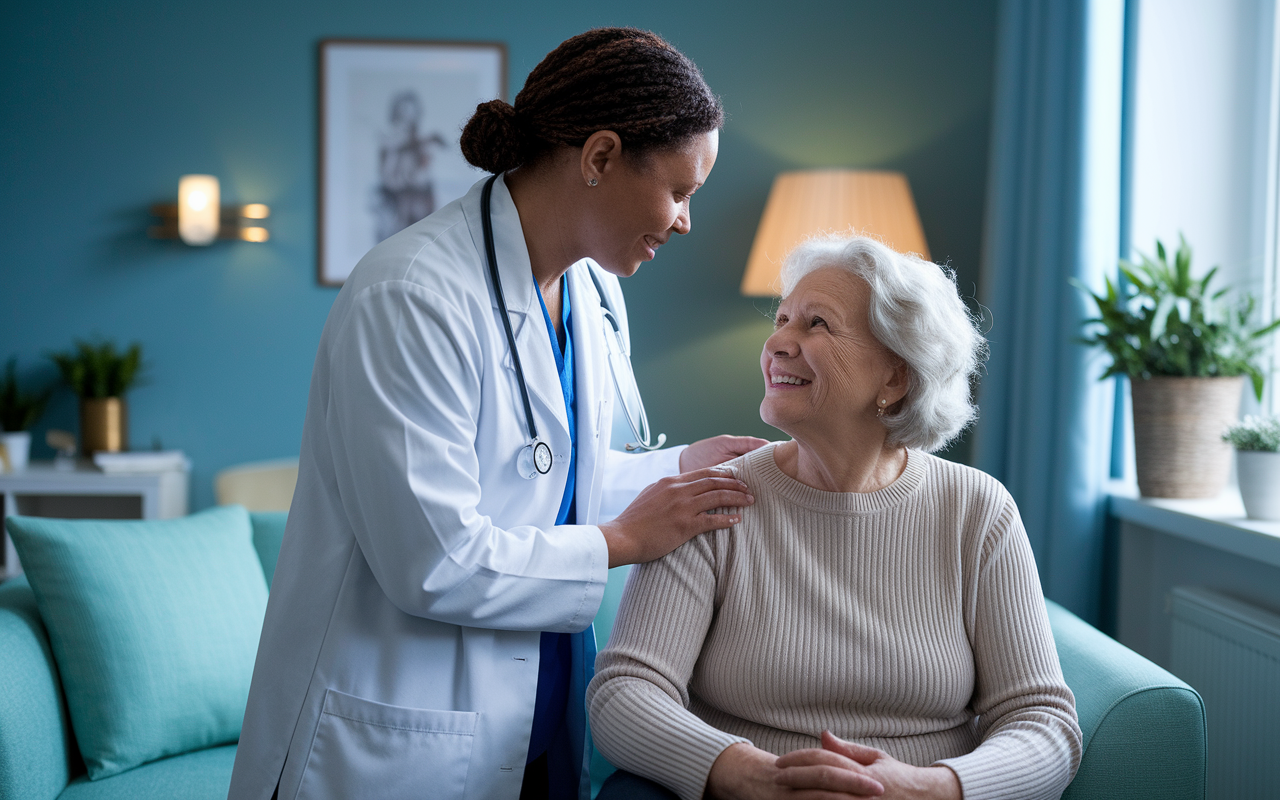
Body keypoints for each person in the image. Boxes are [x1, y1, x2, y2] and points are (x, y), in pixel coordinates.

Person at [228, 28, 766, 800]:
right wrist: (623, 541)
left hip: (539, 727)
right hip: (398, 742)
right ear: (601, 156)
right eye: (680, 192)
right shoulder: (410, 295)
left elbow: (544, 480)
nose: (684, 221)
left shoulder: (594, 290)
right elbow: (435, 558)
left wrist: (677, 470)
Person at [587, 235, 1083, 800]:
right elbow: (625, 692)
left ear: (895, 378)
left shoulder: (976, 511)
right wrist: (746, 773)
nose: (776, 342)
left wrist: (927, 789)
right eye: (781, 319)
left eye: (816, 324)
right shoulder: (715, 497)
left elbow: (1042, 722)